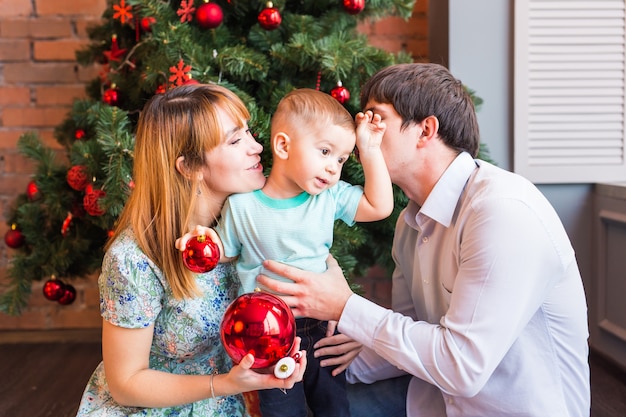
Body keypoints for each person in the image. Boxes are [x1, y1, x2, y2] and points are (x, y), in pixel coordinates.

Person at [257, 63, 591, 417]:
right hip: (432, 401)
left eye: (376, 118)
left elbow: (461, 367)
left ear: (425, 130)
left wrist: (346, 307)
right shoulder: (410, 221)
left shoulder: (501, 211)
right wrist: (314, 363)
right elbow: (413, 333)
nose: (360, 132)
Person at [76, 83, 306, 417]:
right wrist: (226, 384)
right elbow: (125, 383)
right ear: (190, 167)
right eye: (235, 140)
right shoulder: (133, 259)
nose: (257, 147)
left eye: (248, 132)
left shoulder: (248, 226)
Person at [178, 88, 393, 417]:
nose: (333, 168)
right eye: (324, 151)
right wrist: (203, 240)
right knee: (281, 410)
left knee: (334, 406)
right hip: (266, 334)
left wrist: (370, 150)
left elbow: (379, 206)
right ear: (282, 146)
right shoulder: (242, 206)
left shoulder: (329, 197)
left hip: (323, 326)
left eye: (341, 158)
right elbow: (223, 250)